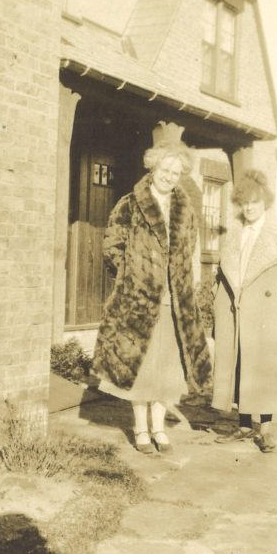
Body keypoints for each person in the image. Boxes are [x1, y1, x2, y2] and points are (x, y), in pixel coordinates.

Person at [92, 124, 211, 455]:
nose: (170, 177)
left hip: (175, 301)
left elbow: (190, 251)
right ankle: (141, 429)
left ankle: (160, 428)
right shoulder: (130, 204)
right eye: (165, 170)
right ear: (153, 167)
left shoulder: (185, 211)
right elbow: (111, 247)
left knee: (168, 370)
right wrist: (133, 277)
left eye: (176, 172)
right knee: (140, 366)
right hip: (138, 300)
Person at [211, 169, 277, 452]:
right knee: (239, 364)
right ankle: (242, 425)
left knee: (263, 368)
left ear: (265, 202)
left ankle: (264, 430)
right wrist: (218, 299)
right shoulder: (234, 232)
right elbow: (224, 270)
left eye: (255, 202)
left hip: (267, 313)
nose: (250, 208)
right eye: (245, 203)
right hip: (235, 310)